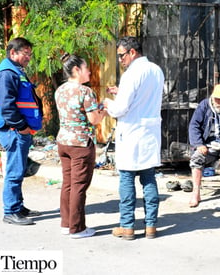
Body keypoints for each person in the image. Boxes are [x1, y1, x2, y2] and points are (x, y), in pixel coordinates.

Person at [103, 36, 164, 240]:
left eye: (121, 55)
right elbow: (144, 97)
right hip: (149, 133)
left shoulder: (131, 74)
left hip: (131, 132)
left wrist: (107, 103)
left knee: (127, 179)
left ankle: (127, 226)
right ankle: (151, 226)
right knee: (149, 178)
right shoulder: (156, 70)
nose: (120, 60)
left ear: (132, 52)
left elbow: (121, 108)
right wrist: (120, 92)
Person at [0, 37, 43, 225]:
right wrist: (23, 127)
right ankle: (10, 210)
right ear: (13, 52)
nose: (29, 57)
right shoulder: (7, 74)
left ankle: (18, 206)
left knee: (19, 169)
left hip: (17, 130)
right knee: (14, 170)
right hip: (14, 130)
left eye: (30, 54)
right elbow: (8, 107)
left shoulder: (14, 71)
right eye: (25, 54)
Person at [55, 53, 106, 239]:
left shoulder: (60, 90)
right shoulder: (85, 92)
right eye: (86, 68)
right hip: (81, 144)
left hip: (63, 141)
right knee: (79, 186)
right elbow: (94, 120)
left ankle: (66, 223)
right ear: (76, 70)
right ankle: (77, 228)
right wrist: (104, 111)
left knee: (67, 183)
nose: (90, 71)